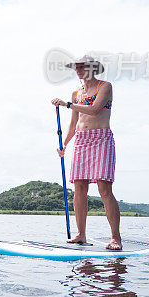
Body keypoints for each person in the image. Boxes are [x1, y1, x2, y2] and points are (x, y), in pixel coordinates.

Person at [50, 55, 121, 250]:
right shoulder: (76, 93)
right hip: (82, 140)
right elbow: (74, 124)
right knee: (79, 187)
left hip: (101, 138)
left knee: (104, 188)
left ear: (92, 68)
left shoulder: (105, 87)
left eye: (82, 67)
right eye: (77, 68)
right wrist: (64, 144)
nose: (79, 70)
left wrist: (67, 105)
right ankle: (81, 234)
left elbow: (96, 110)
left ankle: (116, 238)